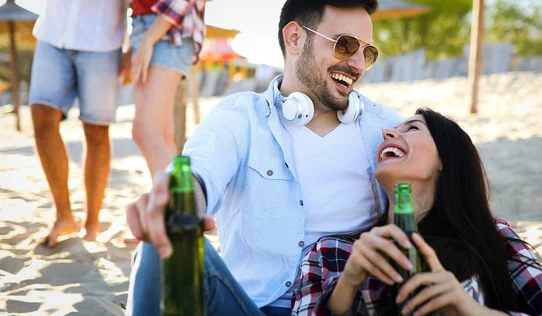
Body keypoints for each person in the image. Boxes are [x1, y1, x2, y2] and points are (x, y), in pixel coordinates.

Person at [125, 0, 403, 314]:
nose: (357, 64)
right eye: (345, 45)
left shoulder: (388, 130)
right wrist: (176, 201)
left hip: (342, 308)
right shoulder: (240, 115)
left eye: (367, 53)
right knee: (160, 245)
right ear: (295, 38)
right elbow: (201, 172)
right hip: (249, 306)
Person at [291, 109, 542, 316]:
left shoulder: (493, 238)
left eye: (413, 128)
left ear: (446, 158)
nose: (388, 132)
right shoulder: (333, 251)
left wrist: (468, 308)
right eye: (395, 129)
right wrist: (348, 284)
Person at [29, 0, 128, 247]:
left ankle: (92, 223)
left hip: (102, 40)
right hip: (53, 33)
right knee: (41, 116)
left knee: (96, 129)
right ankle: (64, 217)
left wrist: (133, 47)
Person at [128, 0, 207, 177]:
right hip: (149, 25)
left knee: (145, 131)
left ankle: (178, 202)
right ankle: (178, 201)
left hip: (168, 27)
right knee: (162, 134)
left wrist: (149, 39)